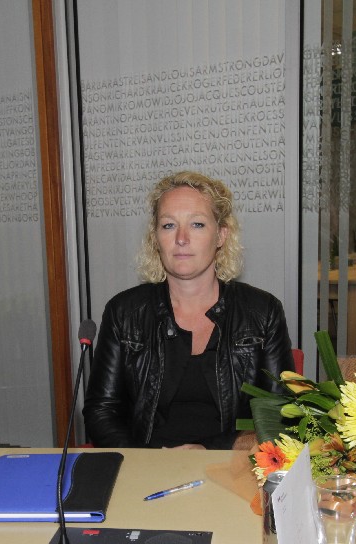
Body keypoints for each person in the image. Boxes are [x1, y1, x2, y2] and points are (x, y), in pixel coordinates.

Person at [83, 171, 293, 449]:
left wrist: (208, 450)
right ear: (155, 237)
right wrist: (149, 459)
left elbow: (281, 415)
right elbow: (100, 411)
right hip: (145, 464)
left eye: (197, 224)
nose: (181, 238)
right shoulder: (123, 312)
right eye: (169, 225)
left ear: (221, 235)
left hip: (228, 463)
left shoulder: (262, 312)